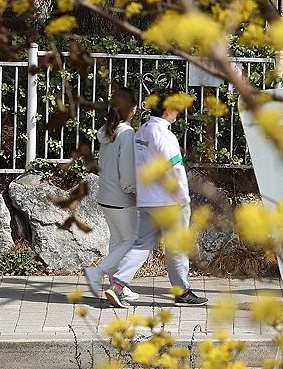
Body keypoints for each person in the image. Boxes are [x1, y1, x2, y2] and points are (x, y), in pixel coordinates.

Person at [105, 88, 208, 307]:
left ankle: (118, 285)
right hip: (170, 202)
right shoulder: (165, 135)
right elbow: (175, 168)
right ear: (169, 109)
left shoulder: (141, 131)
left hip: (147, 200)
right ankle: (182, 292)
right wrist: (184, 198)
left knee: (141, 245)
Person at [84, 86, 141, 305]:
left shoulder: (107, 131)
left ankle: (118, 288)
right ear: (133, 109)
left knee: (118, 240)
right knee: (132, 240)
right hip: (120, 196)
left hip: (106, 195)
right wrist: (133, 190)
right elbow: (126, 168)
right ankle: (98, 273)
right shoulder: (126, 133)